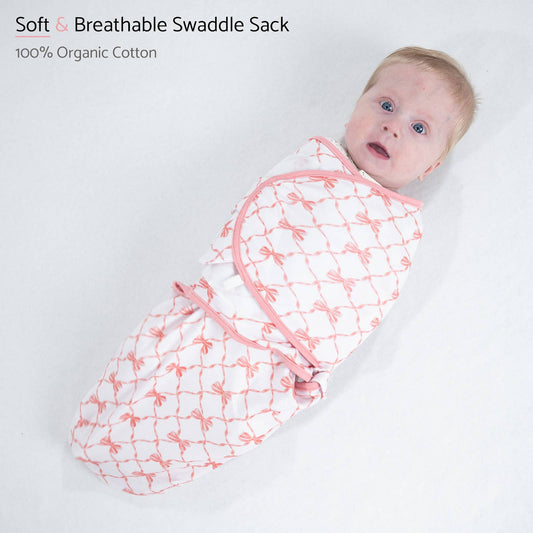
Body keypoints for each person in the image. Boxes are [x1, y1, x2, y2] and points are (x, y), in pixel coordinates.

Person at [69, 47, 477, 495]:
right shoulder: (313, 165)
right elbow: (261, 212)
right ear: (355, 107)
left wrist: (316, 366)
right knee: (149, 371)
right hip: (218, 311)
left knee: (220, 423)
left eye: (419, 128)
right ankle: (95, 430)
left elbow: (368, 302)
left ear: (431, 166)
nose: (392, 126)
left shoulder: (399, 231)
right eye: (386, 104)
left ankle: (142, 472)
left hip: (276, 363)